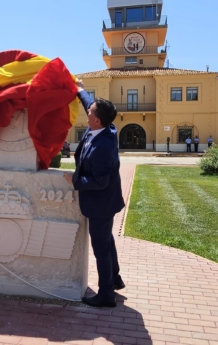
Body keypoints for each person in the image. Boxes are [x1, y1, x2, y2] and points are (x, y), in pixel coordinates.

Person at [64, 83, 125, 308]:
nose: (87, 112)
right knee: (107, 241)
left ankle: (106, 294)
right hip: (105, 202)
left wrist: (76, 181)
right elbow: (91, 104)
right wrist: (80, 89)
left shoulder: (104, 147)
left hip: (102, 203)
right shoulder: (104, 126)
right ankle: (115, 279)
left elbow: (100, 182)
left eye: (90, 113)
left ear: (96, 120)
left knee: (101, 247)